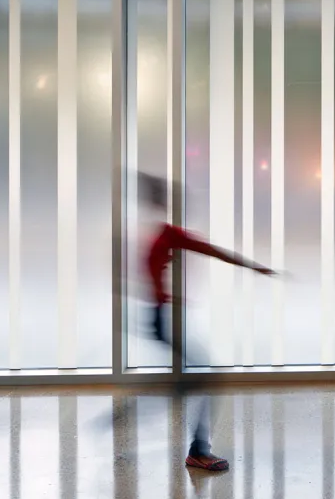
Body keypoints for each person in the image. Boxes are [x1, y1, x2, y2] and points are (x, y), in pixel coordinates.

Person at [140, 172, 275, 472]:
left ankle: (185, 438)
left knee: (191, 381)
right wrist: (257, 268)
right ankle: (198, 451)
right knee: (206, 378)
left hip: (159, 315)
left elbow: (152, 267)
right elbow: (212, 251)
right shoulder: (168, 234)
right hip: (164, 317)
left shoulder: (156, 237)